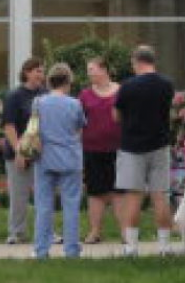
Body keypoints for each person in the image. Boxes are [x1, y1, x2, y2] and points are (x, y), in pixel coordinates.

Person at [114, 45, 175, 257]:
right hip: (159, 145)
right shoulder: (167, 85)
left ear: (136, 61)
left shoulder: (127, 86)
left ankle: (131, 248)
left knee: (133, 197)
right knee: (160, 196)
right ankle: (165, 247)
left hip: (132, 147)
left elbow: (116, 116)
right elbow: (167, 112)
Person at [34, 63, 86, 260]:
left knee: (43, 205)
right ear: (68, 81)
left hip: (45, 157)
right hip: (70, 158)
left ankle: (41, 250)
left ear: (49, 81)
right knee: (71, 205)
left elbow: (34, 129)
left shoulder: (38, 102)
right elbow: (79, 129)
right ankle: (71, 250)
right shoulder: (75, 104)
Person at [2, 57, 47, 245]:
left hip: (42, 153)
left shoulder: (46, 94)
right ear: (27, 72)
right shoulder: (15, 96)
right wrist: (19, 151)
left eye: (42, 71)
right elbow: (9, 126)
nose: (40, 74)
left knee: (44, 193)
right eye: (37, 70)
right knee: (19, 194)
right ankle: (17, 232)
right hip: (18, 153)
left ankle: (45, 231)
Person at [79, 57, 122, 244]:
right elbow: (78, 122)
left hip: (119, 149)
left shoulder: (121, 91)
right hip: (92, 149)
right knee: (95, 191)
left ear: (104, 70)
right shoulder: (84, 95)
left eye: (92, 69)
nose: (89, 73)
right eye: (88, 70)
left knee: (120, 191)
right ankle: (95, 231)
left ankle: (125, 232)